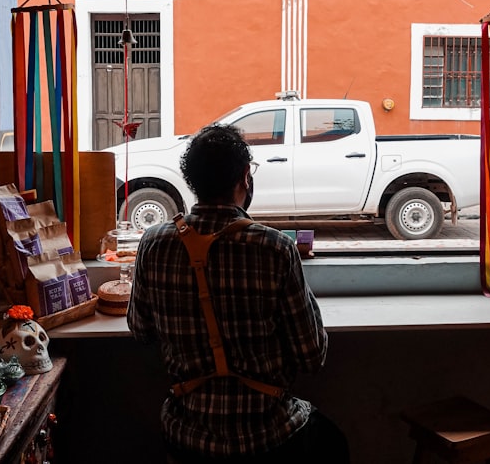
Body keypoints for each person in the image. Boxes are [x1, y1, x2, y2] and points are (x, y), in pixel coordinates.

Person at [127, 123, 349, 463]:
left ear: (192, 181)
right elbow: (311, 356)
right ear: (245, 176)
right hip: (267, 437)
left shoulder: (154, 243)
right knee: (334, 444)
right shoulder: (275, 247)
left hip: (186, 435)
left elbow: (141, 331)